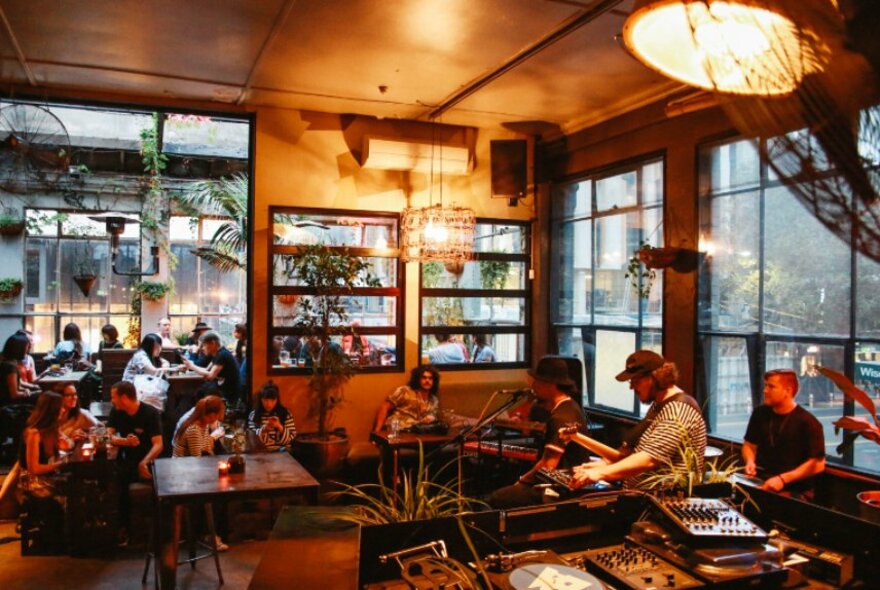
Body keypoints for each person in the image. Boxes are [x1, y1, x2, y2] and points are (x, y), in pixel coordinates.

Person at [570, 350, 707, 490]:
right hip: (642, 496)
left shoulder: (677, 411)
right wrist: (605, 465)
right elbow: (636, 453)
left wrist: (600, 473)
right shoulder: (659, 404)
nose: (631, 387)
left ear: (656, 377)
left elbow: (648, 459)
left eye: (636, 380)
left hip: (662, 502)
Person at [488, 356, 590, 508]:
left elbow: (548, 467)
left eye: (537, 382)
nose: (533, 387)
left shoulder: (560, 418)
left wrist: (521, 481)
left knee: (497, 498)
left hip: (560, 488)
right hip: (567, 483)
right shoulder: (570, 407)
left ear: (551, 384)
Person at [742, 368, 826, 501]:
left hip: (795, 489)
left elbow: (818, 464)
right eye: (765, 386)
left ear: (788, 391)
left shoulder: (808, 422)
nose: (765, 390)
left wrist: (783, 479)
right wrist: (750, 461)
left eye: (771, 387)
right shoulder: (760, 414)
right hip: (761, 482)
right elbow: (749, 445)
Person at [107, 380, 163, 546]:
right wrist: (125, 442)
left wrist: (144, 462)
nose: (112, 401)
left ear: (124, 397)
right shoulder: (116, 412)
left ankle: (159, 532)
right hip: (128, 460)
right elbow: (107, 436)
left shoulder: (150, 413)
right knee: (118, 487)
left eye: (113, 397)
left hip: (151, 459)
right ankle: (124, 529)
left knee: (158, 488)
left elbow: (159, 444)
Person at [18, 392, 67, 551]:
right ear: (51, 410)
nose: (64, 411)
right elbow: (34, 468)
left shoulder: (51, 429)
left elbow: (67, 444)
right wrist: (59, 464)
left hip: (47, 476)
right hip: (33, 481)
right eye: (61, 408)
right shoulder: (34, 433)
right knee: (70, 491)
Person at [373, 364, 441, 433]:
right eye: (424, 378)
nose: (427, 381)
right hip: (399, 429)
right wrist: (377, 432)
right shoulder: (405, 391)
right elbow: (384, 407)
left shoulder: (433, 400)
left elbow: (433, 416)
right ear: (418, 379)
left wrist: (430, 419)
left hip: (418, 432)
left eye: (430, 378)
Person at [182, 331, 240, 406]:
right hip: (221, 389)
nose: (202, 348)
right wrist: (189, 366)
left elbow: (210, 376)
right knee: (196, 393)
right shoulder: (218, 353)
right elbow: (206, 370)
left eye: (204, 345)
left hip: (228, 394)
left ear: (213, 343)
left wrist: (192, 366)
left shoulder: (222, 355)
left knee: (196, 394)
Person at [248, 382, 296, 452]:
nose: (269, 404)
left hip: (282, 453)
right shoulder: (254, 415)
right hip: (262, 453)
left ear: (277, 400)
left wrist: (279, 426)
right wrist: (264, 429)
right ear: (261, 399)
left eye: (273, 400)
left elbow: (291, 438)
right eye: (266, 400)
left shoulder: (286, 414)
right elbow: (252, 439)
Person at [1, 333, 38, 405]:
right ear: (19, 349)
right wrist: (26, 393)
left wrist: (25, 390)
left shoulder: (6, 362)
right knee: (48, 396)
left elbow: (16, 386)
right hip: (11, 404)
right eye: (27, 347)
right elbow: (14, 395)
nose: (28, 350)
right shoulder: (11, 366)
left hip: (8, 401)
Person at [14, 329, 42, 394]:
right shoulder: (12, 360)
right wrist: (34, 387)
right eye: (29, 341)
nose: (31, 344)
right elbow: (18, 384)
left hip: (30, 389)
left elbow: (33, 380)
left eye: (32, 341)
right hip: (23, 391)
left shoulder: (30, 358)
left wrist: (44, 374)